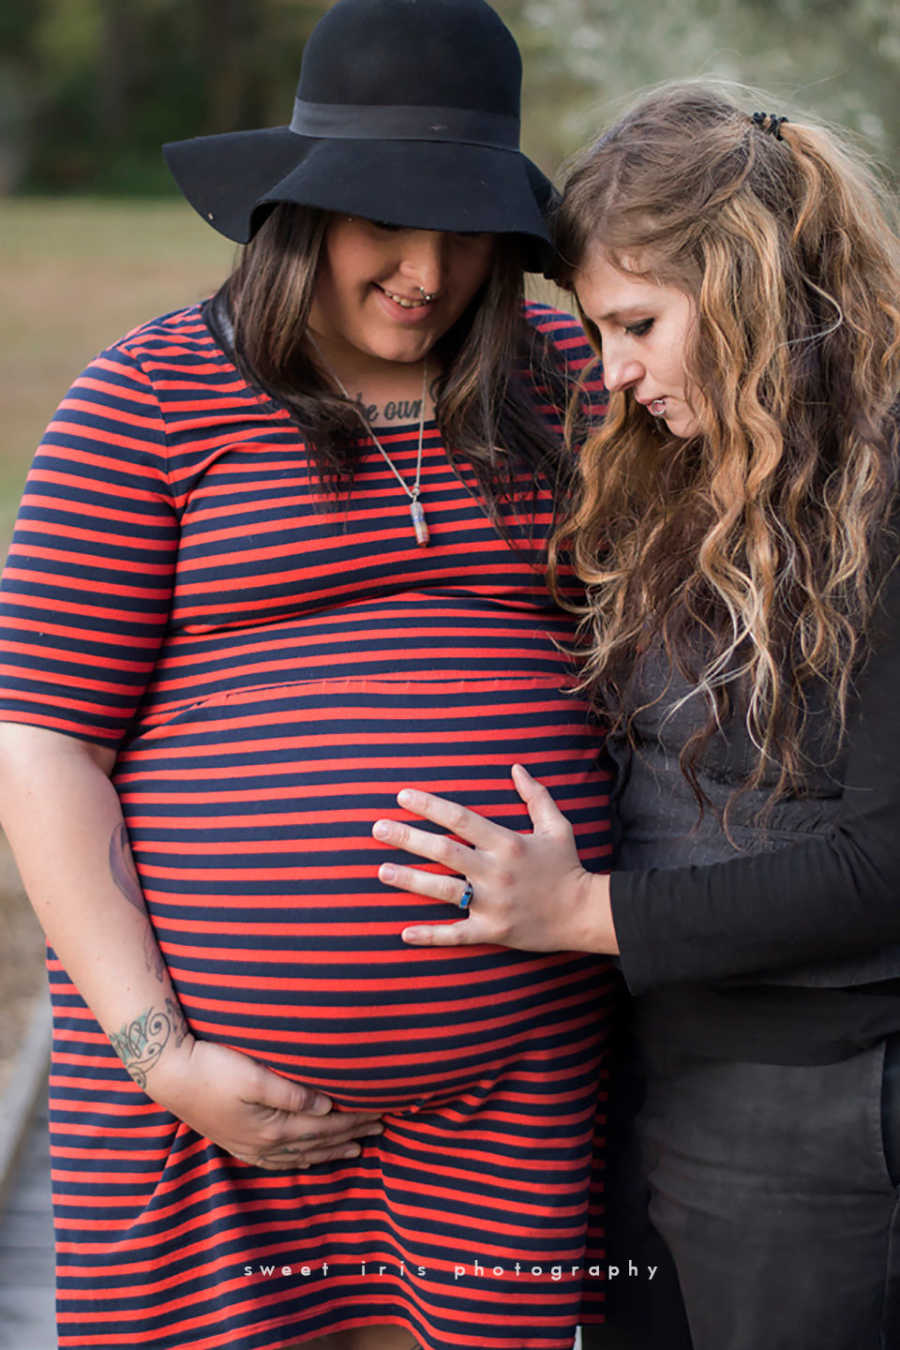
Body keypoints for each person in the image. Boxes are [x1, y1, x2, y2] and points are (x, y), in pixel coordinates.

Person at [0, 3, 616, 1348]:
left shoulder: (567, 386)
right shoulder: (148, 399)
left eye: (466, 230)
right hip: (198, 1104)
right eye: (384, 224)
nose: (428, 271)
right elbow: (44, 746)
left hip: (507, 1086)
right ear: (298, 211)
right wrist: (163, 1053)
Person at [372, 83, 900, 1350]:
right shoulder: (702, 470)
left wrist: (582, 912)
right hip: (653, 1066)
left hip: (806, 1099)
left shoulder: (884, 498)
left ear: (746, 281)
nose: (613, 373)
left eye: (638, 325)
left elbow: (888, 861)